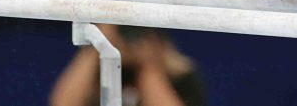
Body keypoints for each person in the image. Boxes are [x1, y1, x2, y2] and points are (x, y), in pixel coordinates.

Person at [49, 25, 206, 106]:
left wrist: (149, 66)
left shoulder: (179, 74)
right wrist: (98, 45)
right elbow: (62, 103)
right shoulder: (95, 71)